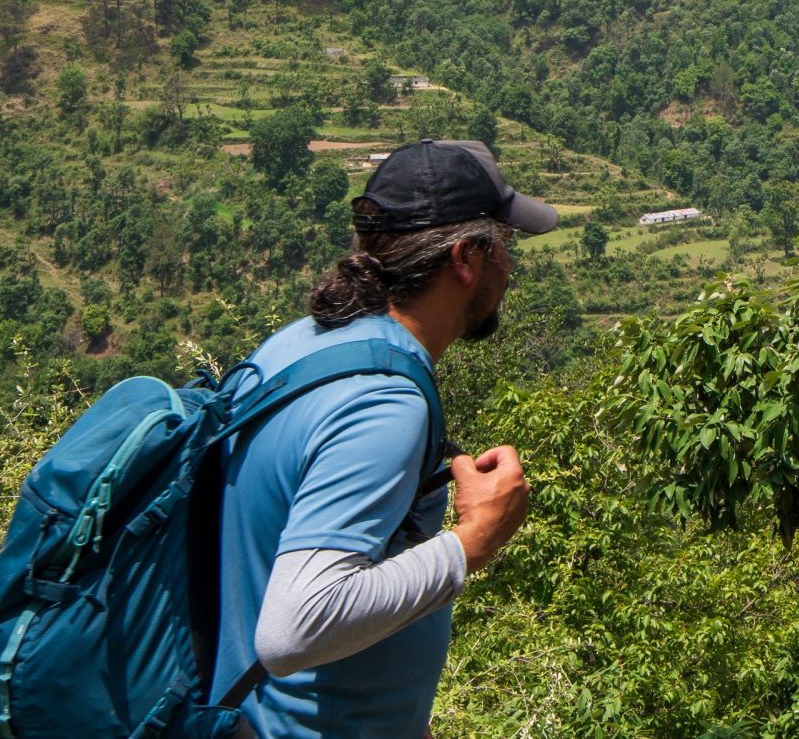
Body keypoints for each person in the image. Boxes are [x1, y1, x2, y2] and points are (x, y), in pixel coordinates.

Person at [214, 139, 554, 738]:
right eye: (505, 245)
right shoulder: (384, 401)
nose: (511, 266)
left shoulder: (300, 344)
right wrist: (472, 542)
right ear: (467, 259)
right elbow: (294, 628)